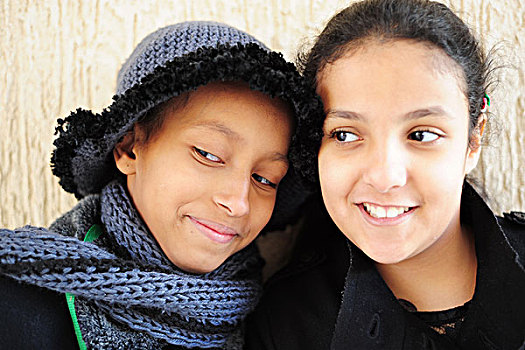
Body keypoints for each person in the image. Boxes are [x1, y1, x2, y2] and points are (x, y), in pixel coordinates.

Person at [0, 21, 321, 349]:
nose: (239, 202)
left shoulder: (278, 319)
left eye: (265, 179)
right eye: (208, 154)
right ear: (128, 149)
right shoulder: (19, 306)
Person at [245, 0, 525, 349]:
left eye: (421, 134)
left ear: (474, 139)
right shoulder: (285, 325)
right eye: (345, 134)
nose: (384, 177)